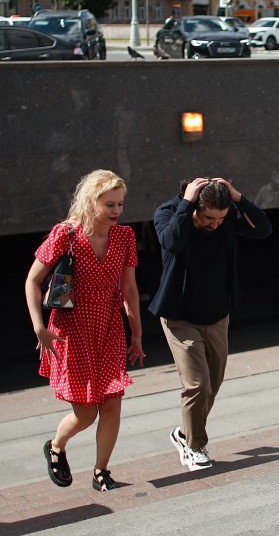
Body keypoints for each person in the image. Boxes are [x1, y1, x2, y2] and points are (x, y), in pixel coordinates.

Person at [24, 170, 144, 491]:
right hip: (71, 331)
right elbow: (33, 281)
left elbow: (129, 290)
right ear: (91, 201)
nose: (116, 210)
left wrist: (137, 334)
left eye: (120, 204)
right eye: (109, 204)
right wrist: (38, 327)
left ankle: (101, 471)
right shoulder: (66, 234)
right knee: (86, 413)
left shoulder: (125, 237)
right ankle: (56, 445)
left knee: (112, 405)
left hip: (108, 329)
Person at [151, 177, 271, 471]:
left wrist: (238, 198)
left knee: (211, 387)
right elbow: (171, 242)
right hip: (180, 317)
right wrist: (186, 204)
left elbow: (264, 229)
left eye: (221, 218)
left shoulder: (225, 219)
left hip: (217, 314)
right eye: (208, 218)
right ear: (192, 204)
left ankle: (183, 434)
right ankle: (194, 446)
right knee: (197, 385)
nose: (215, 224)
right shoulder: (168, 213)